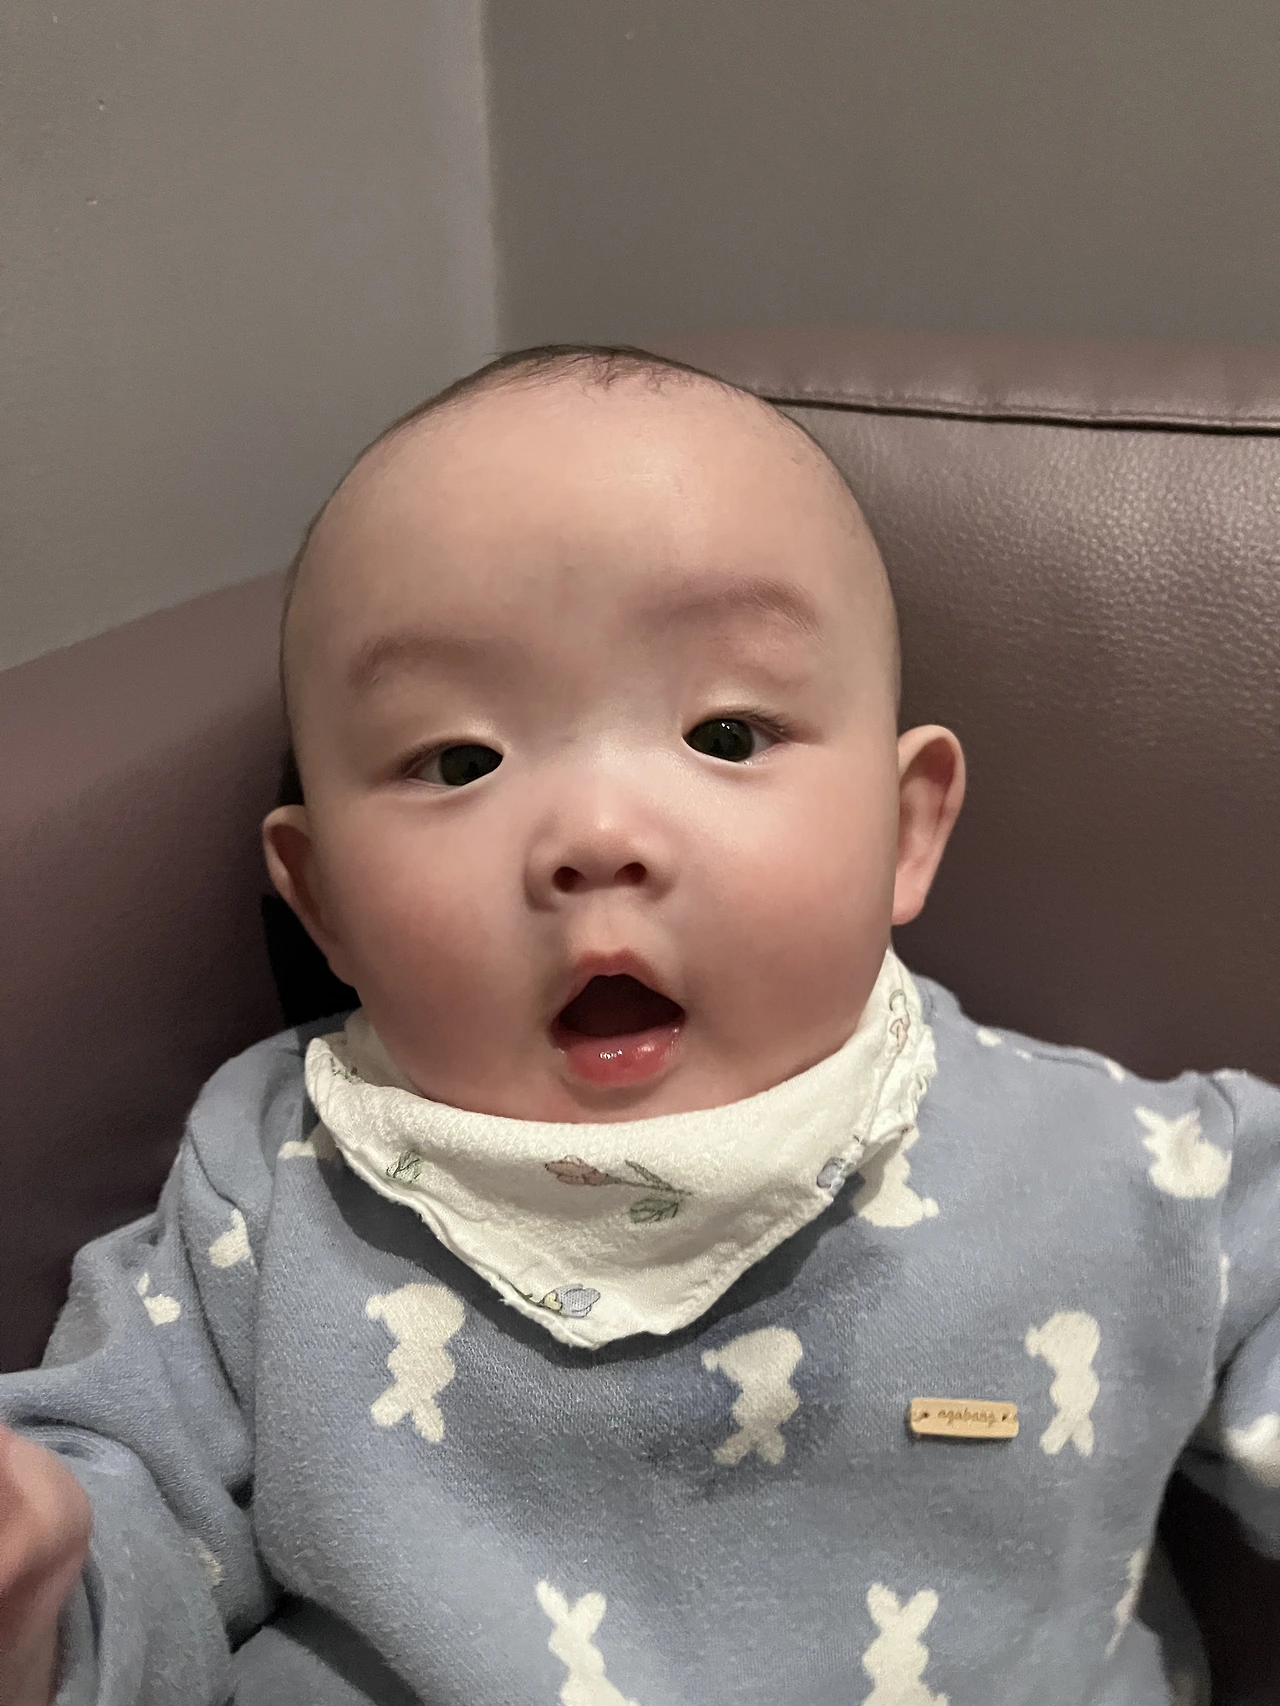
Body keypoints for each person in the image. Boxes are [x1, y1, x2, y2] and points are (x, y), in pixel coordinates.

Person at [0, 345, 1276, 1706]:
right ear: (323, 903)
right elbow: (124, 1526)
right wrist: (40, 1591)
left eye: (725, 734)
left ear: (905, 831)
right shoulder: (267, 1185)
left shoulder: (1121, 1170)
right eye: (460, 761)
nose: (597, 834)